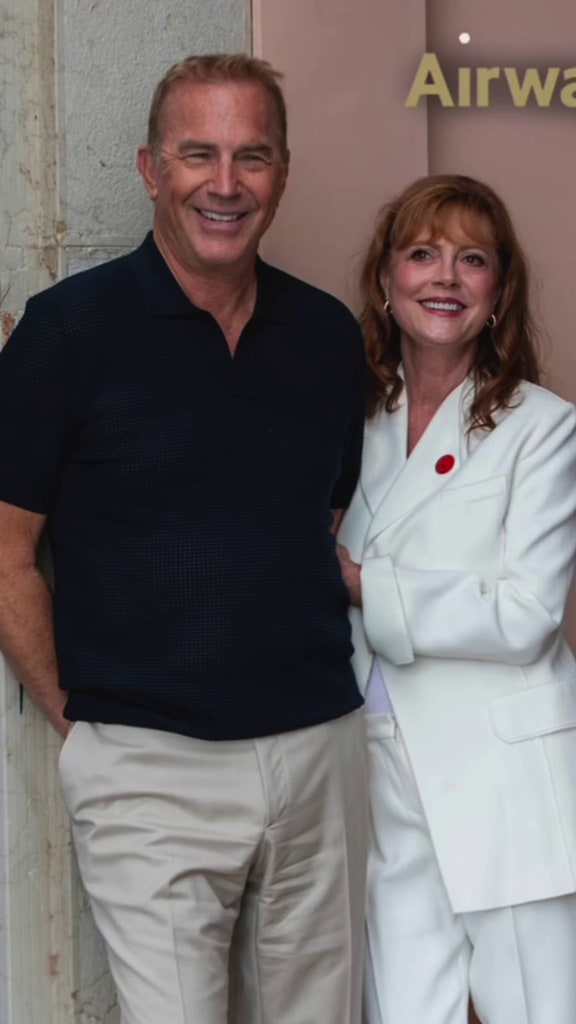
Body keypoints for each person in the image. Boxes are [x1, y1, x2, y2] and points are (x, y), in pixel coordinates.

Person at [0, 54, 368, 1024]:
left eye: (253, 156)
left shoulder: (329, 336)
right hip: (148, 765)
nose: (225, 182)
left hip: (320, 750)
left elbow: (317, 517)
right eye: (197, 154)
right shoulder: (67, 333)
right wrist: (83, 719)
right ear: (149, 167)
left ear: (283, 171)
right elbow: (3, 549)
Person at [337, 173, 576, 1024]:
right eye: (422, 254)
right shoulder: (346, 416)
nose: (445, 277)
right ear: (385, 280)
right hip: (378, 755)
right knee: (403, 1010)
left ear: (499, 289)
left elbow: (527, 614)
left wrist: (364, 586)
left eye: (471, 259)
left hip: (501, 774)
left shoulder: (541, 427)